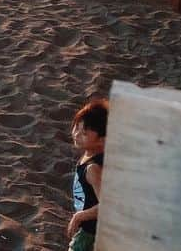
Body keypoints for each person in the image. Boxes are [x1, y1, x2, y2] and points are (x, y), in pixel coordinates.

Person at [66, 99, 107, 251]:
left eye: (84, 133)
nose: (76, 134)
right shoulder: (91, 155)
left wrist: (79, 217)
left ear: (102, 140)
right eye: (76, 127)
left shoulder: (92, 169)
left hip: (91, 231)